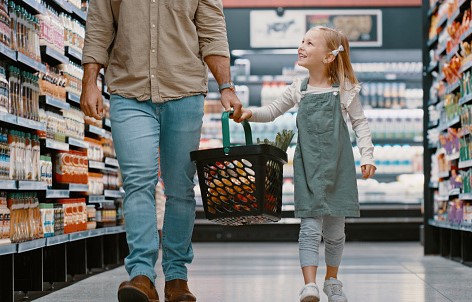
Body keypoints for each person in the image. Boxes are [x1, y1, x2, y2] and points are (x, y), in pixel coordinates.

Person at [80, 1, 242, 302]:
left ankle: (177, 277)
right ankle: (141, 274)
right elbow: (100, 24)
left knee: (179, 187)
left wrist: (226, 86)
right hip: (129, 90)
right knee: (138, 181)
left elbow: (212, 31)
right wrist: (90, 80)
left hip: (184, 90)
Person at [234, 26, 376, 302]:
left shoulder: (344, 89)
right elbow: (272, 111)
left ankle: (331, 280)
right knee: (309, 227)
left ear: (328, 57)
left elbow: (360, 123)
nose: (301, 46)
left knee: (335, 231)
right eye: (302, 41)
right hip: (308, 168)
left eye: (310, 43)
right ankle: (309, 285)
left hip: (339, 168)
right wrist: (249, 114)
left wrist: (367, 156)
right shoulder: (297, 89)